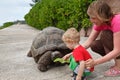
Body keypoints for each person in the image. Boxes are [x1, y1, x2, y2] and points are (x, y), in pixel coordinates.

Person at [82, 1, 120, 77]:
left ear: (102, 17)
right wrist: (72, 52)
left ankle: (118, 67)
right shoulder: (100, 23)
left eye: (93, 18)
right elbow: (89, 41)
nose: (91, 20)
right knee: (94, 45)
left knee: (106, 35)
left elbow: (117, 50)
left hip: (118, 49)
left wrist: (95, 62)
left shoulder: (117, 21)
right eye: (90, 17)